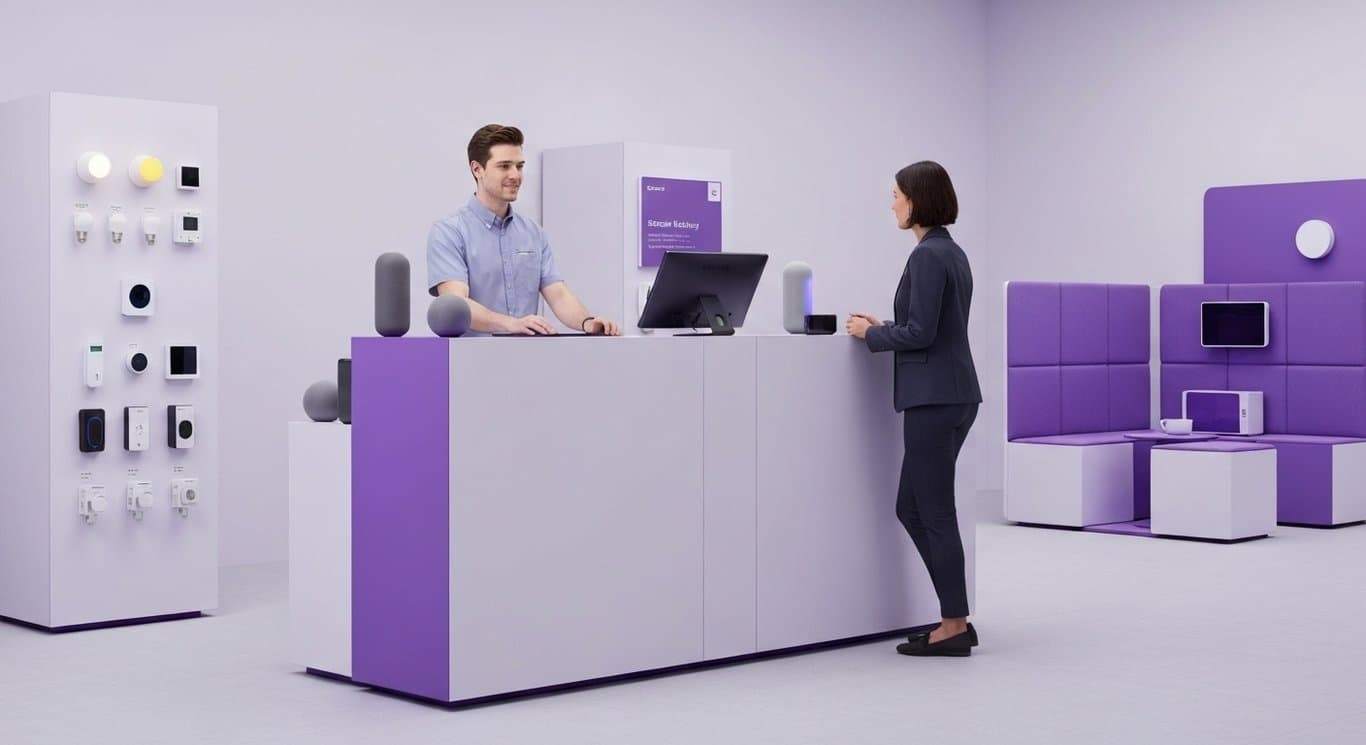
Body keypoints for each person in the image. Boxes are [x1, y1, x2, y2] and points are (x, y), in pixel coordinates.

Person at [845, 160, 983, 657]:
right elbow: (932, 327)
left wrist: (872, 335)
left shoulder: (928, 256)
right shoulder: (951, 251)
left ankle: (953, 624)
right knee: (912, 506)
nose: (893, 204)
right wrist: (887, 325)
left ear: (917, 200)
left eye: (897, 195)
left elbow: (921, 333)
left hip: (934, 398)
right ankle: (955, 614)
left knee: (933, 511)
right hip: (954, 393)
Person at [427, 124, 622, 336]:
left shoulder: (533, 233)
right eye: (504, 166)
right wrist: (511, 324)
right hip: (468, 363)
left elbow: (558, 295)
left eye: (519, 166)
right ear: (477, 169)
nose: (515, 175)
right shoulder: (449, 233)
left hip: (527, 361)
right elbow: (457, 305)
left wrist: (587, 322)